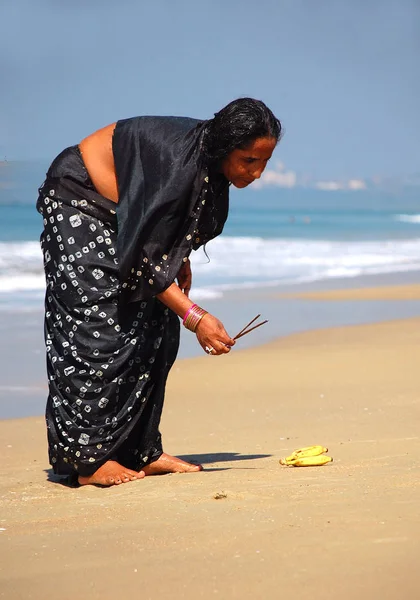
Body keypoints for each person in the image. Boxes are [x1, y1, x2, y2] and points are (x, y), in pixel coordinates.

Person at [36, 97, 282, 487]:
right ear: (224, 149)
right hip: (80, 198)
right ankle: (88, 461)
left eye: (263, 162)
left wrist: (177, 257)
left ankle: (140, 450)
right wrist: (196, 317)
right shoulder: (179, 162)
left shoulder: (211, 163)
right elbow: (144, 256)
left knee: (157, 328)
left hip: (126, 216)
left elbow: (166, 226)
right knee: (99, 326)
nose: (256, 172)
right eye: (249, 160)